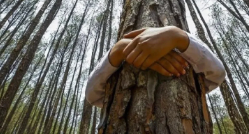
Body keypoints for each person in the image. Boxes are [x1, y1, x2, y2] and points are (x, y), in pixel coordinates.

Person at [86, 26, 226, 108]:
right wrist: (118, 50)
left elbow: (217, 74)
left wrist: (177, 36)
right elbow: (92, 95)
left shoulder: (186, 46)